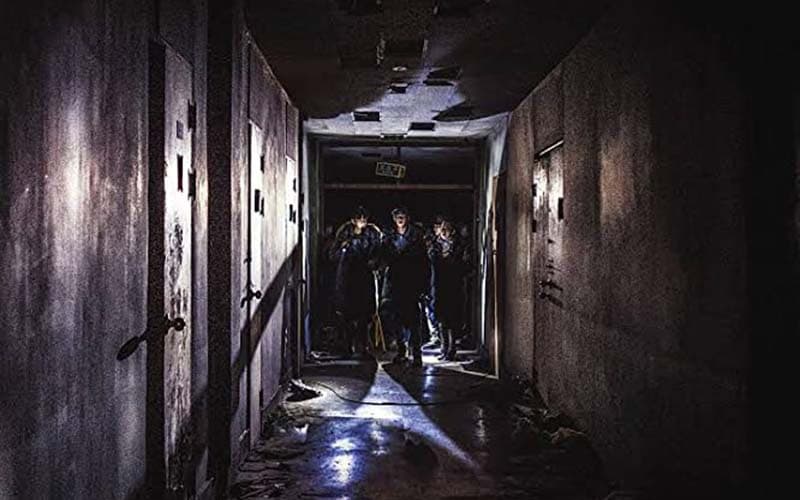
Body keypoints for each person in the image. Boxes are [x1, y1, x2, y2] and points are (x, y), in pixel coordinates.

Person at [379, 207, 431, 367]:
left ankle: (416, 353)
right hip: (395, 282)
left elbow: (423, 261)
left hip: (411, 282)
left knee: (414, 320)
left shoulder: (416, 236)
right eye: (397, 217)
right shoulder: (389, 237)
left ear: (407, 218)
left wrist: (424, 286)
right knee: (396, 319)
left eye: (402, 216)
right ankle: (402, 351)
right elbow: (383, 257)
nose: (400, 219)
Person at [329, 206, 382, 358]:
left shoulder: (372, 232)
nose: (362, 221)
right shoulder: (344, 232)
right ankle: (346, 346)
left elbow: (378, 253)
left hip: (364, 276)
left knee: (364, 314)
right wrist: (343, 249)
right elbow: (333, 255)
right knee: (346, 314)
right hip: (347, 276)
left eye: (364, 218)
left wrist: (374, 262)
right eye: (359, 218)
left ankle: (362, 347)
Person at [429, 218, 467, 361]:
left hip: (453, 285)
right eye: (442, 229)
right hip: (439, 285)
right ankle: (444, 348)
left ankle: (451, 349)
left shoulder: (458, 245)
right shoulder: (435, 245)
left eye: (447, 229)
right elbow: (431, 261)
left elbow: (464, 264)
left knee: (452, 319)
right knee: (441, 319)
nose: (444, 232)